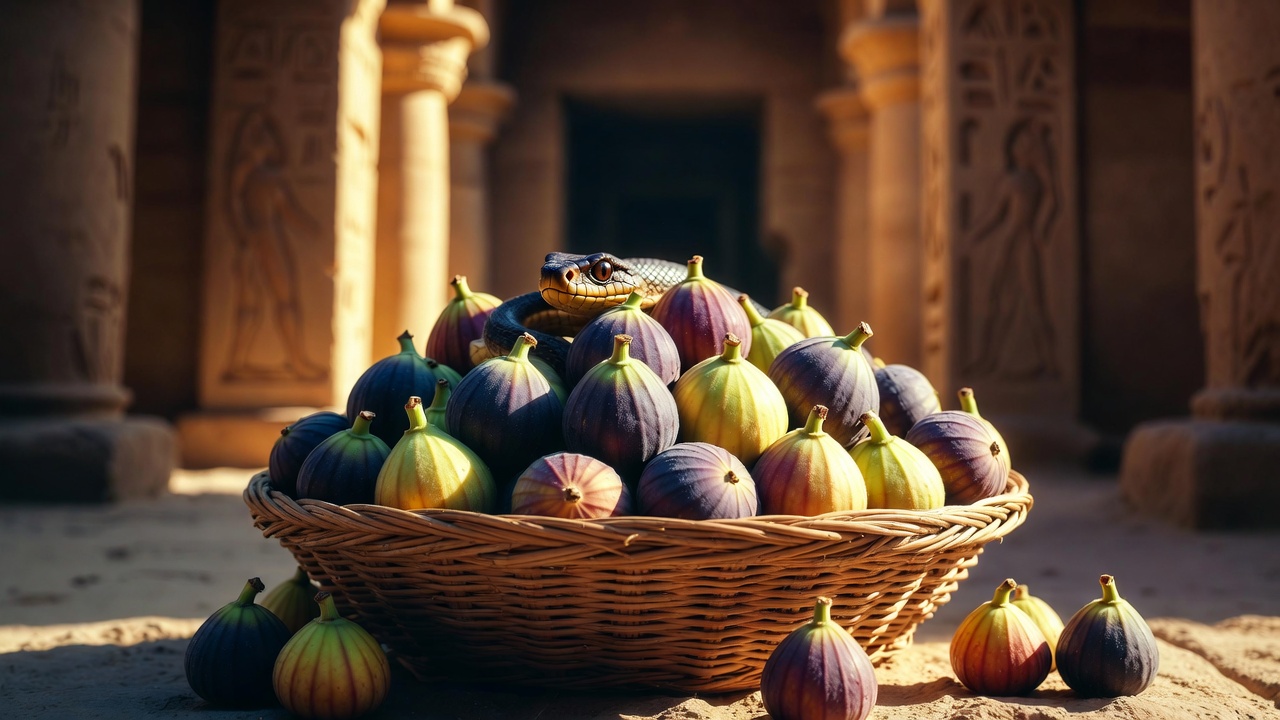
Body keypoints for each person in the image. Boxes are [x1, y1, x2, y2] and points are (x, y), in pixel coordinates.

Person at [222, 109, 325, 381]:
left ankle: (294, 359)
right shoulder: (246, 172)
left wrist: (312, 228)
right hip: (260, 239)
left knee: (281, 299)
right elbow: (232, 201)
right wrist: (244, 232)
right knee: (256, 302)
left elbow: (287, 210)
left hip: (268, 238)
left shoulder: (269, 176)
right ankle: (237, 363)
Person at [965, 118, 1060, 379]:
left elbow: (996, 215)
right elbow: (996, 215)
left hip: (1019, 242)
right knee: (998, 300)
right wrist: (973, 234)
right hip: (1012, 242)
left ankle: (1050, 363)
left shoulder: (1025, 180)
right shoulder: (1020, 180)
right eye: (1022, 145)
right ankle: (988, 359)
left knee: (1030, 302)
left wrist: (973, 235)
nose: (1025, 150)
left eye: (1029, 146)